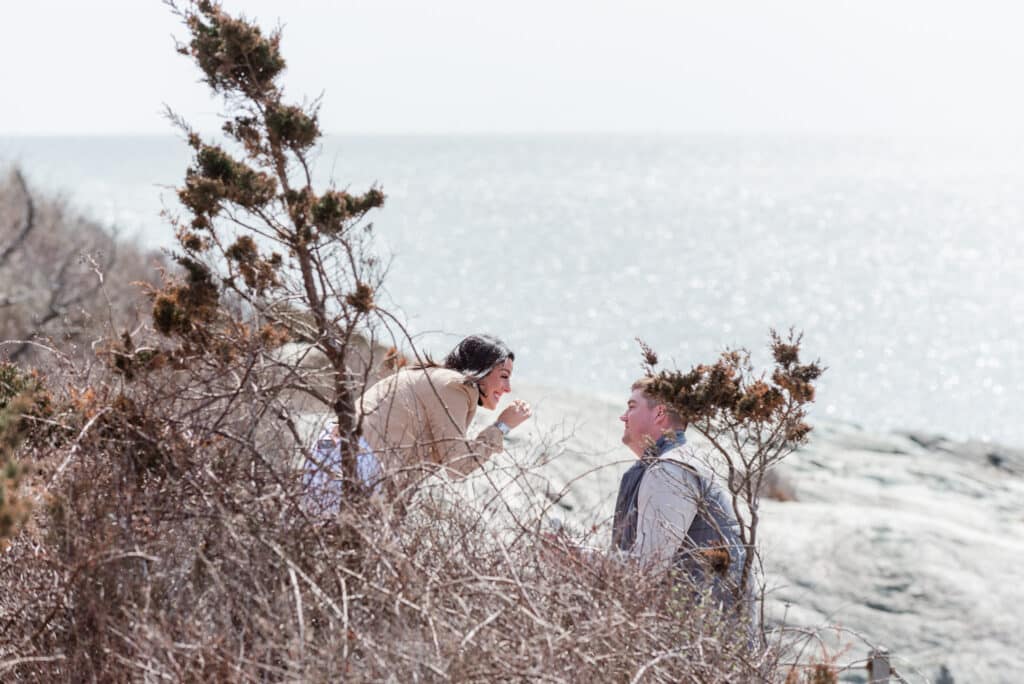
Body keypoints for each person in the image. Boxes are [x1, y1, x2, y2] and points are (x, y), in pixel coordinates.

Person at [304, 334, 532, 505]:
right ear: (480, 369)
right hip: (358, 465)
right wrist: (501, 426)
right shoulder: (456, 387)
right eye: (503, 376)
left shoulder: (427, 376)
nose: (508, 388)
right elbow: (458, 466)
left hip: (331, 456)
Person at [612, 377, 748, 611]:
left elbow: (646, 570)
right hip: (700, 636)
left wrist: (576, 555)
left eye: (632, 407)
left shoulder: (670, 471)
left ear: (659, 413)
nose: (623, 416)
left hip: (694, 639)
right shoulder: (677, 463)